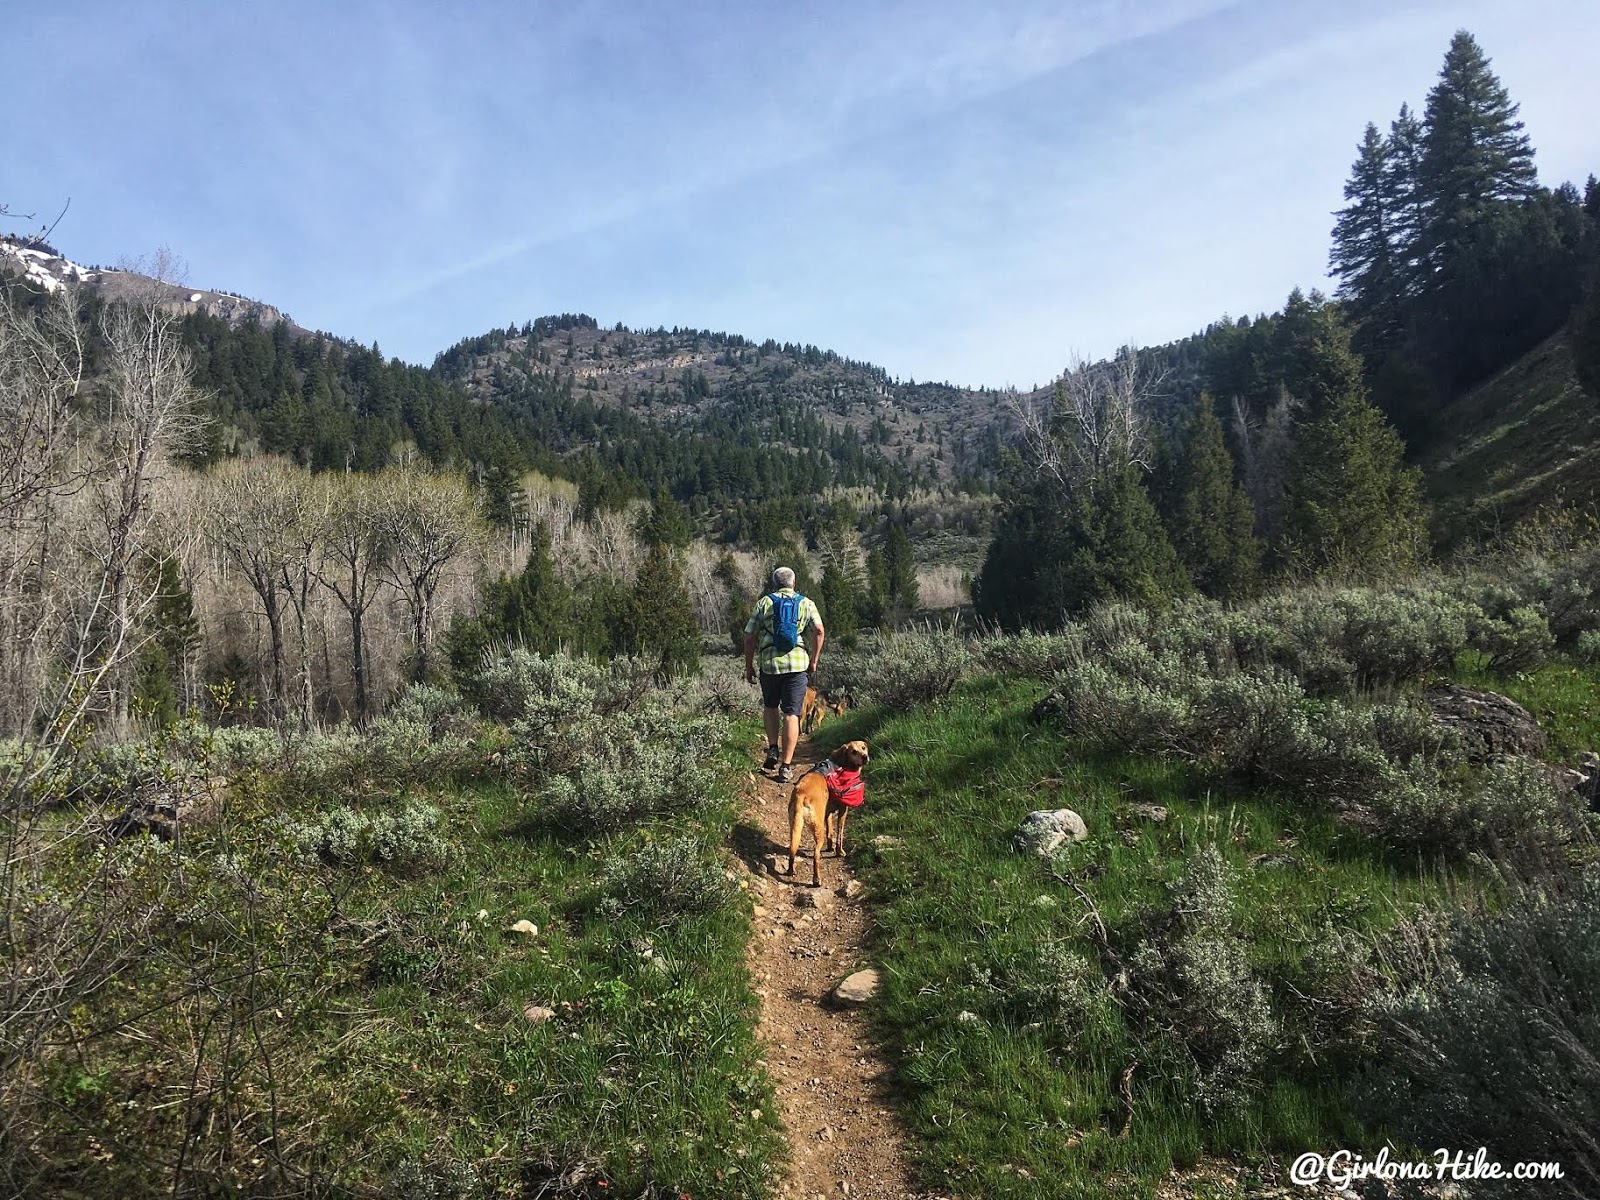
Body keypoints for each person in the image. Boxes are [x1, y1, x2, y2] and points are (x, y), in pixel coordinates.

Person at [743, 566, 825, 784]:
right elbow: (818, 631)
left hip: (769, 664)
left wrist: (749, 665)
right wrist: (814, 660)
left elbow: (749, 636)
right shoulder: (806, 603)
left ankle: (772, 748)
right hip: (797, 665)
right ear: (793, 583)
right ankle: (786, 766)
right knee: (791, 714)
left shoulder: (764, 602)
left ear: (774, 583)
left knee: (770, 706)